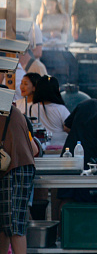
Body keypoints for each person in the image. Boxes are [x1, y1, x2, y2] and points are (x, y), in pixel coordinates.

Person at [0, 105, 36, 254]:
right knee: (3, 225)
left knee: (14, 225)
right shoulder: (8, 106)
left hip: (15, 168)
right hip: (12, 167)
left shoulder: (3, 103)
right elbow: (35, 149)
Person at [16, 75, 69, 149]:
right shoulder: (61, 109)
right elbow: (68, 127)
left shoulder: (32, 108)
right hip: (59, 148)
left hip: (40, 147)